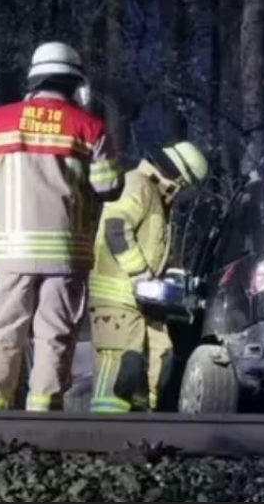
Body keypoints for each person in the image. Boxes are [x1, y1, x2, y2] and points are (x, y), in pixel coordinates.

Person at [0, 41, 121, 412]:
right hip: (65, 256)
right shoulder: (90, 127)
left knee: (3, 333)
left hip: (9, 253)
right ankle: (43, 415)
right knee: (54, 336)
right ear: (76, 84)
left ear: (33, 80)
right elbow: (109, 187)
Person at [88, 140, 207, 413]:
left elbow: (158, 250)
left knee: (159, 363)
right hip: (117, 299)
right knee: (122, 368)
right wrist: (140, 274)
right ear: (178, 179)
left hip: (144, 303)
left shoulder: (156, 198)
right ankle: (105, 436)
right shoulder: (136, 184)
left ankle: (143, 433)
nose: (184, 194)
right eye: (186, 187)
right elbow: (116, 227)